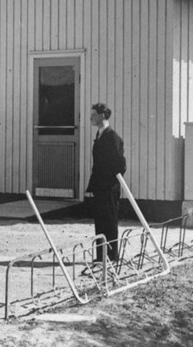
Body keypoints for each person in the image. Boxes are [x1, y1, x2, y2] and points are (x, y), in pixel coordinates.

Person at [85, 102, 126, 267]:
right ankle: (101, 256)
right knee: (100, 222)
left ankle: (112, 256)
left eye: (93, 115)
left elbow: (120, 165)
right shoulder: (100, 135)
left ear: (102, 116)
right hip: (100, 188)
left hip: (109, 188)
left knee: (109, 222)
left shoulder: (113, 137)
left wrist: (108, 184)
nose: (91, 118)